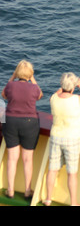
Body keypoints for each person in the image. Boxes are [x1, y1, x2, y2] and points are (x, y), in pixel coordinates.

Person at [43, 73, 80, 206]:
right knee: (72, 173)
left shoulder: (53, 98)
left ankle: (48, 198)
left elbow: (58, 92)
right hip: (72, 139)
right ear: (73, 87)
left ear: (62, 85)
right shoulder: (77, 100)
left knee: (52, 170)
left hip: (56, 136)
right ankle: (73, 203)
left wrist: (64, 86)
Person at [1, 60, 43, 200]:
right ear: (30, 74)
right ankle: (26, 191)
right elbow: (40, 95)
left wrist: (13, 77)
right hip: (29, 123)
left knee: (12, 158)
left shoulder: (11, 86)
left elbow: (3, 95)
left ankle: (11, 190)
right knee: (27, 159)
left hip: (11, 121)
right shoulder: (34, 88)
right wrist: (33, 79)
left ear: (17, 73)